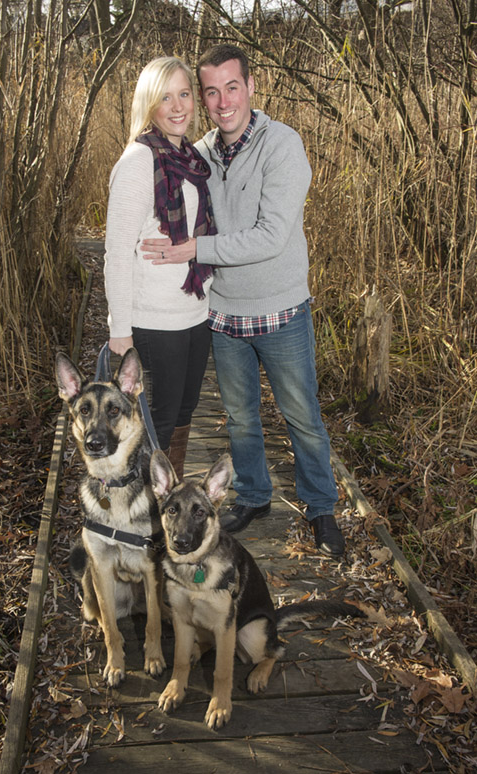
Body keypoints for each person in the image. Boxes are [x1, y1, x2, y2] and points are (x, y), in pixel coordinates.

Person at [141, 45, 345, 557]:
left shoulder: (283, 145)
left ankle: (321, 507)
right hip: (224, 314)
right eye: (211, 90)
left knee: (301, 415)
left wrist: (192, 249)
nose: (222, 99)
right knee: (239, 418)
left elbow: (271, 235)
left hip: (281, 310)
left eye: (232, 86)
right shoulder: (202, 153)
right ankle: (254, 495)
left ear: (252, 87)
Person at [103, 56, 216, 478]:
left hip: (194, 313)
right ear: (149, 104)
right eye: (165, 97)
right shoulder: (138, 161)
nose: (177, 106)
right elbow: (116, 251)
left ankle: (171, 507)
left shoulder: (190, 157)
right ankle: (149, 521)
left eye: (184, 94)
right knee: (158, 424)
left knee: (184, 414)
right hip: (155, 321)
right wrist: (120, 330)